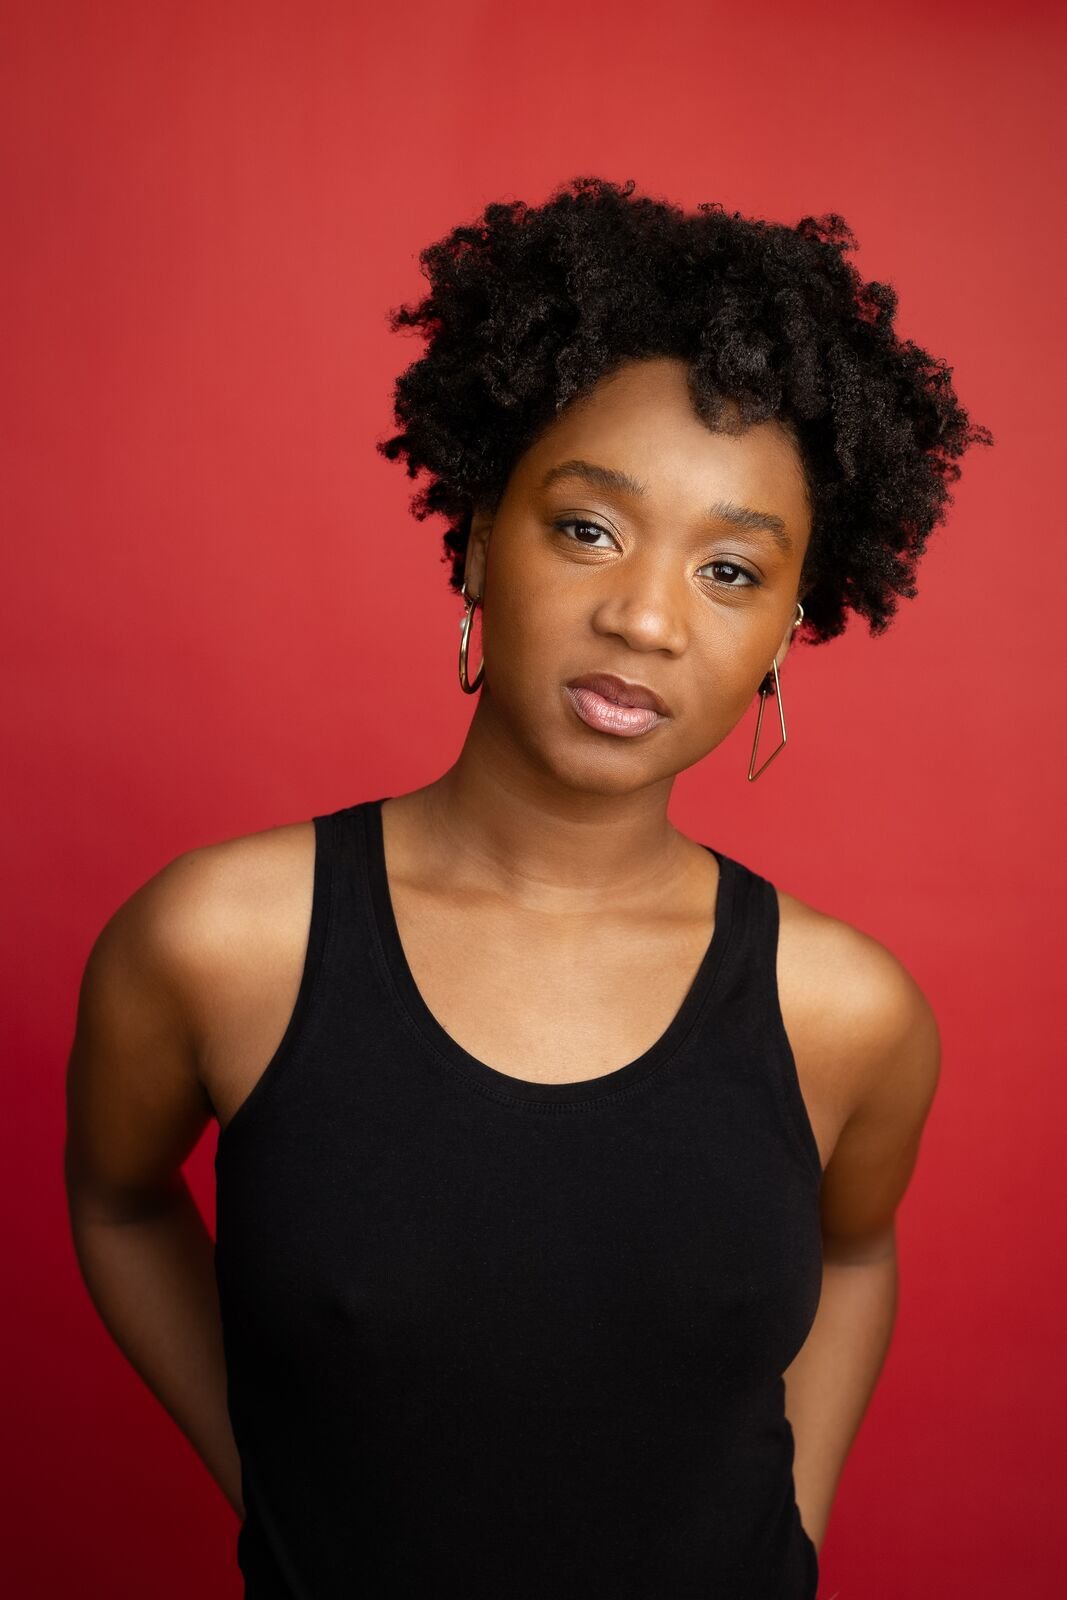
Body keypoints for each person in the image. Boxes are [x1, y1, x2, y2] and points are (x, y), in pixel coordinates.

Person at [64, 176, 993, 1598]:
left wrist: (790, 1527)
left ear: (787, 634)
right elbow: (119, 1201)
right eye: (588, 530)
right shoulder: (222, 942)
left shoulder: (847, 1010)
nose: (645, 616)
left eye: (732, 567)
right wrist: (276, 1479)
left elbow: (857, 1253)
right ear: (480, 532)